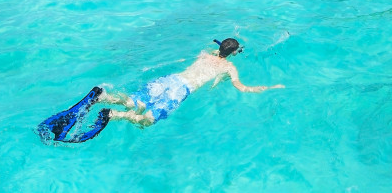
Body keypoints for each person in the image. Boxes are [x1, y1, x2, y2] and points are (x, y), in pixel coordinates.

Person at [98, 38, 284, 127]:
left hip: (171, 79)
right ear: (234, 53)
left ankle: (103, 96)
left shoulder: (206, 53)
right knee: (148, 120)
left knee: (132, 101)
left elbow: (215, 52)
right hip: (181, 90)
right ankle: (113, 115)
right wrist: (268, 87)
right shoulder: (229, 68)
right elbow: (241, 88)